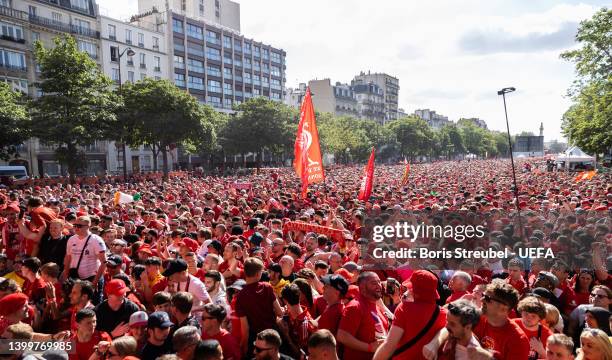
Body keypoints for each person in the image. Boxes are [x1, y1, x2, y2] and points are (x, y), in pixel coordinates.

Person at [374, 270, 446, 360]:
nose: (407, 291)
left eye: (411, 288)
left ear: (415, 291)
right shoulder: (442, 312)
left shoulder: (404, 308)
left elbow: (389, 346)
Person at [235, 257, 283, 355]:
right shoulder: (267, 287)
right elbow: (280, 312)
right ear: (257, 274)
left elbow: (245, 328)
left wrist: (244, 346)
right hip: (272, 334)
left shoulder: (240, 296)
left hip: (256, 339)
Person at [473, 279, 530, 360]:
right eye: (483, 295)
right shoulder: (476, 320)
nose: (482, 300)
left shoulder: (518, 340)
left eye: (487, 298)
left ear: (504, 308)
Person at [338, 271, 389, 360]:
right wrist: (369, 347)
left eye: (379, 282)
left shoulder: (375, 305)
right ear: (362, 287)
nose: (379, 285)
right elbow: (342, 336)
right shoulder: (355, 307)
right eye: (374, 283)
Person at [63, 216, 107, 302]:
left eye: (79, 226)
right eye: (75, 225)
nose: (76, 228)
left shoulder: (96, 240)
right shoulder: (71, 239)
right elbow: (68, 257)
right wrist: (66, 276)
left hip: (91, 278)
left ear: (88, 226)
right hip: (75, 278)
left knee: (92, 305)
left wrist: (94, 283)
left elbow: (104, 262)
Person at [278, 283, 316, 358]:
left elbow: (302, 355)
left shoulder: (304, 325)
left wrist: (286, 335)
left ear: (285, 301)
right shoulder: (289, 312)